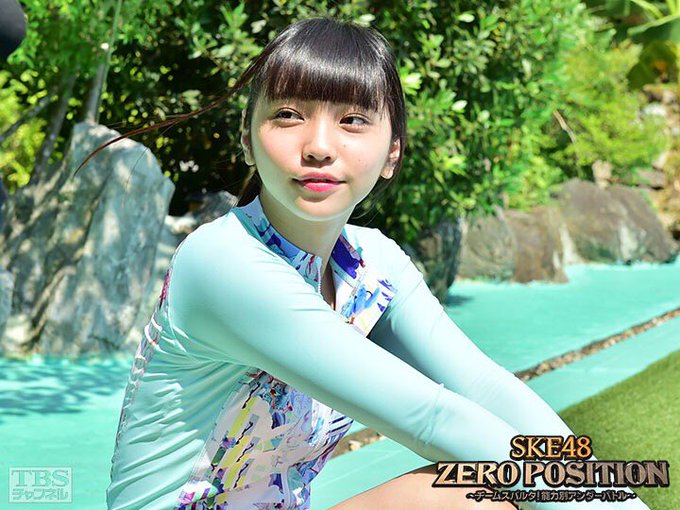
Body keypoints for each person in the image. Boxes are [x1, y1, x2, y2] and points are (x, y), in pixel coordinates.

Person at [104, 16, 650, 510]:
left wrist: (608, 496)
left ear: (393, 153)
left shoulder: (371, 265)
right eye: (289, 115)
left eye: (353, 120)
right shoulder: (225, 262)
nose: (319, 146)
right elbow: (432, 417)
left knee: (466, 496)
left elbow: (483, 386)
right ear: (247, 139)